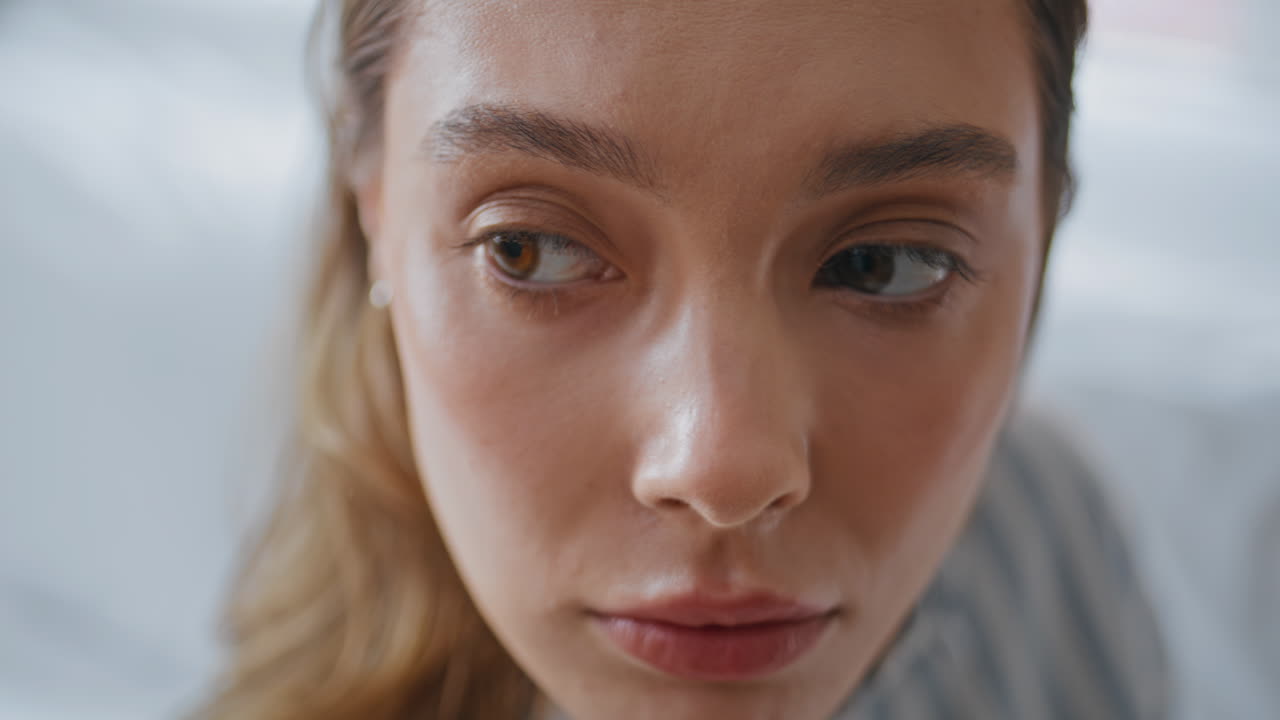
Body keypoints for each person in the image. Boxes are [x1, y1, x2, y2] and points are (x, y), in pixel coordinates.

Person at [197, 0, 1168, 718]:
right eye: (531, 248)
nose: (721, 469)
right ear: (375, 213)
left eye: (883, 265)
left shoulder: (1045, 538)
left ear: (1044, 233)